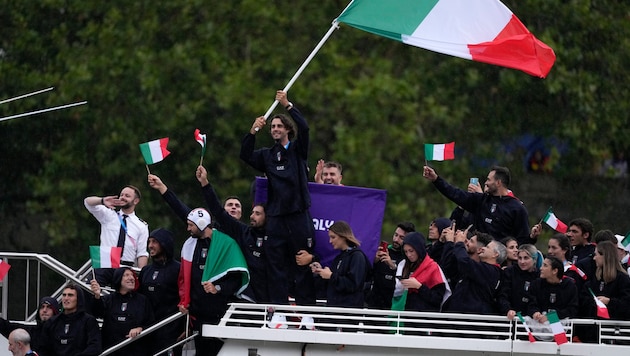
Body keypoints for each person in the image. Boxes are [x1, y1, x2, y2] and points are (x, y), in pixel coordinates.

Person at [148, 175, 249, 355]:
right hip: (199, 311)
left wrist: (218, 287)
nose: (233, 207)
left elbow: (236, 276)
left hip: (228, 306)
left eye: (237, 206)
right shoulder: (201, 235)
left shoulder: (241, 235)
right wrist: (163, 188)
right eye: (229, 205)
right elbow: (184, 212)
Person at [240, 90, 316, 305]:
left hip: (298, 214)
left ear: (287, 130)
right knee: (275, 264)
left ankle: (307, 313)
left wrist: (288, 105)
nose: (275, 129)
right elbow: (245, 155)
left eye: (279, 126)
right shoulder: (267, 155)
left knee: (302, 261)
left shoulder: (298, 150)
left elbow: (306, 128)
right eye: (272, 127)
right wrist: (252, 132)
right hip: (276, 217)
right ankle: (278, 310)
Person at [422, 165, 532, 245]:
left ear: (498, 183)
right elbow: (455, 194)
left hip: (500, 263)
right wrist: (436, 179)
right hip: (477, 258)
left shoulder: (517, 208)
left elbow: (523, 240)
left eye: (489, 180)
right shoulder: (481, 200)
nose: (486, 183)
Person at [84, 185, 149, 286]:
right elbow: (88, 202)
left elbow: (142, 253)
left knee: (121, 298)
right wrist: (102, 201)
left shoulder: (141, 225)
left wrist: (142, 275)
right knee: (91, 292)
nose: (122, 197)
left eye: (127, 196)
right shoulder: (109, 215)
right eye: (121, 195)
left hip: (126, 267)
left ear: (136, 201)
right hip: (105, 262)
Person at [138, 228, 183, 356]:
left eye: (154, 242)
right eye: (149, 241)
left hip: (171, 331)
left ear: (164, 244)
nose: (150, 246)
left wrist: (187, 326)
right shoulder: (146, 271)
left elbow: (187, 298)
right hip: (148, 331)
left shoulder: (178, 269)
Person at [441, 226, 505, 314]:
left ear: (495, 254)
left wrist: (459, 242)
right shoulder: (479, 268)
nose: (483, 248)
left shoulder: (491, 271)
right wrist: (449, 243)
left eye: (488, 247)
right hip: (457, 317)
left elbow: (464, 262)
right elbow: (449, 267)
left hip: (469, 320)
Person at [90, 267, 154, 356]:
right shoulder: (109, 299)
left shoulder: (142, 300)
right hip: (111, 349)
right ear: (118, 278)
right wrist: (97, 296)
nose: (131, 278)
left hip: (135, 350)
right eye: (126, 275)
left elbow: (150, 322)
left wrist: (140, 329)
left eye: (132, 275)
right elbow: (97, 313)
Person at [310, 221, 371, 308]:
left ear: (343, 236)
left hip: (347, 313)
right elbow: (334, 283)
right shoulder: (339, 257)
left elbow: (353, 284)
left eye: (333, 237)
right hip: (334, 310)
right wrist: (321, 272)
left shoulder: (357, 256)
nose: (330, 241)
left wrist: (331, 276)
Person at [392, 232, 451, 312]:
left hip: (425, 318)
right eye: (406, 252)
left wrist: (419, 286)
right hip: (407, 316)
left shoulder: (433, 268)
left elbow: (437, 299)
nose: (409, 255)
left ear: (418, 249)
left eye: (411, 251)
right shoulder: (405, 265)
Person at [39, 284, 101, 356]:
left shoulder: (88, 321)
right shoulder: (52, 322)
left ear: (78, 298)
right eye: (64, 295)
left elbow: (95, 347)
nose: (66, 298)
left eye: (70, 295)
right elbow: (43, 348)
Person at [366, 222, 415, 309]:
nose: (396, 239)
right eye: (396, 235)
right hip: (374, 305)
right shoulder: (384, 251)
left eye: (401, 237)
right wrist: (374, 261)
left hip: (395, 307)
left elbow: (402, 285)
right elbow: (367, 276)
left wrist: (393, 266)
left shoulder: (410, 258)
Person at [584, 241, 630, 320]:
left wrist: (609, 302)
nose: (594, 258)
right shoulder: (594, 278)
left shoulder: (623, 279)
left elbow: (626, 304)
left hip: (615, 328)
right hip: (594, 326)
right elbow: (584, 300)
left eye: (596, 255)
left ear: (605, 256)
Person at [527, 256, 579, 321]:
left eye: (545, 266)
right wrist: (535, 312)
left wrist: (550, 317)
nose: (541, 268)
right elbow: (531, 304)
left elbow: (572, 309)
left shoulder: (569, 286)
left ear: (555, 271)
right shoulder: (536, 284)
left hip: (562, 326)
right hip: (538, 325)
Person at [497, 244, 541, 320]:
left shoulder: (540, 276)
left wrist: (535, 312)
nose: (522, 261)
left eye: (526, 258)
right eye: (519, 258)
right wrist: (507, 309)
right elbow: (502, 294)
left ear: (534, 259)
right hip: (511, 318)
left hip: (532, 320)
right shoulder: (510, 272)